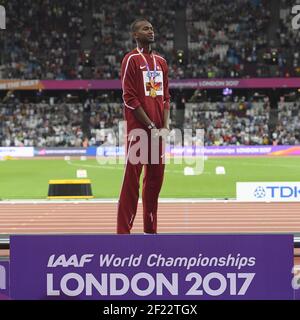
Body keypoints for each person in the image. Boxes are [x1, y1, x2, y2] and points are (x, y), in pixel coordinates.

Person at [117, 18, 170, 234]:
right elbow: (129, 98)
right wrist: (150, 126)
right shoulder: (130, 60)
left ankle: (150, 232)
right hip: (139, 131)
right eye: (145, 28)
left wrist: (164, 127)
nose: (151, 30)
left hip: (158, 133)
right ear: (135, 35)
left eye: (152, 27)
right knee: (132, 183)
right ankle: (123, 234)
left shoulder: (161, 62)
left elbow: (166, 97)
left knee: (154, 183)